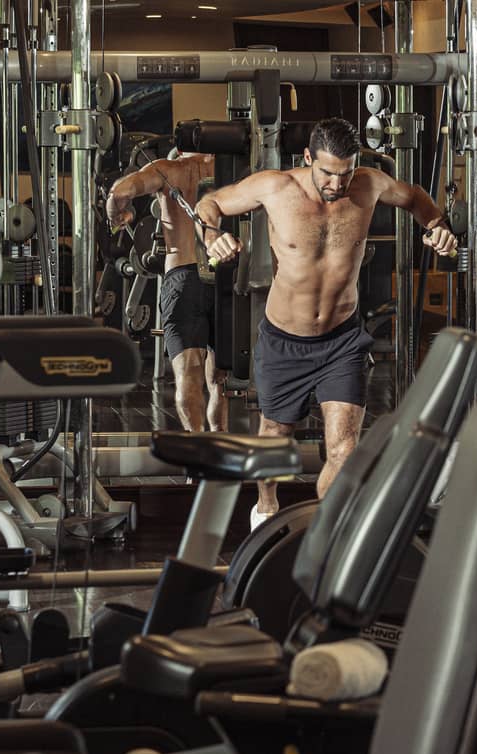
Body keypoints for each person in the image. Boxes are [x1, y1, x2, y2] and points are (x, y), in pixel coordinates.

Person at [193, 118, 458, 529]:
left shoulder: (369, 184)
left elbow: (415, 198)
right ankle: (266, 509)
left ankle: (325, 534)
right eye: (328, 173)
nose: (337, 184)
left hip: (342, 340)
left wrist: (438, 226)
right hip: (284, 340)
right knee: (274, 438)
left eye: (345, 173)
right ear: (307, 158)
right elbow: (209, 204)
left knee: (343, 448)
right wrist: (213, 236)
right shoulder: (275, 187)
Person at [105, 150, 229, 434]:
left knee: (188, 374)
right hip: (224, 276)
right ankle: (219, 441)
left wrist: (118, 214)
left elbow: (119, 192)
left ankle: (196, 445)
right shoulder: (229, 166)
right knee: (219, 379)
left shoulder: (169, 168)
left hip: (184, 276)